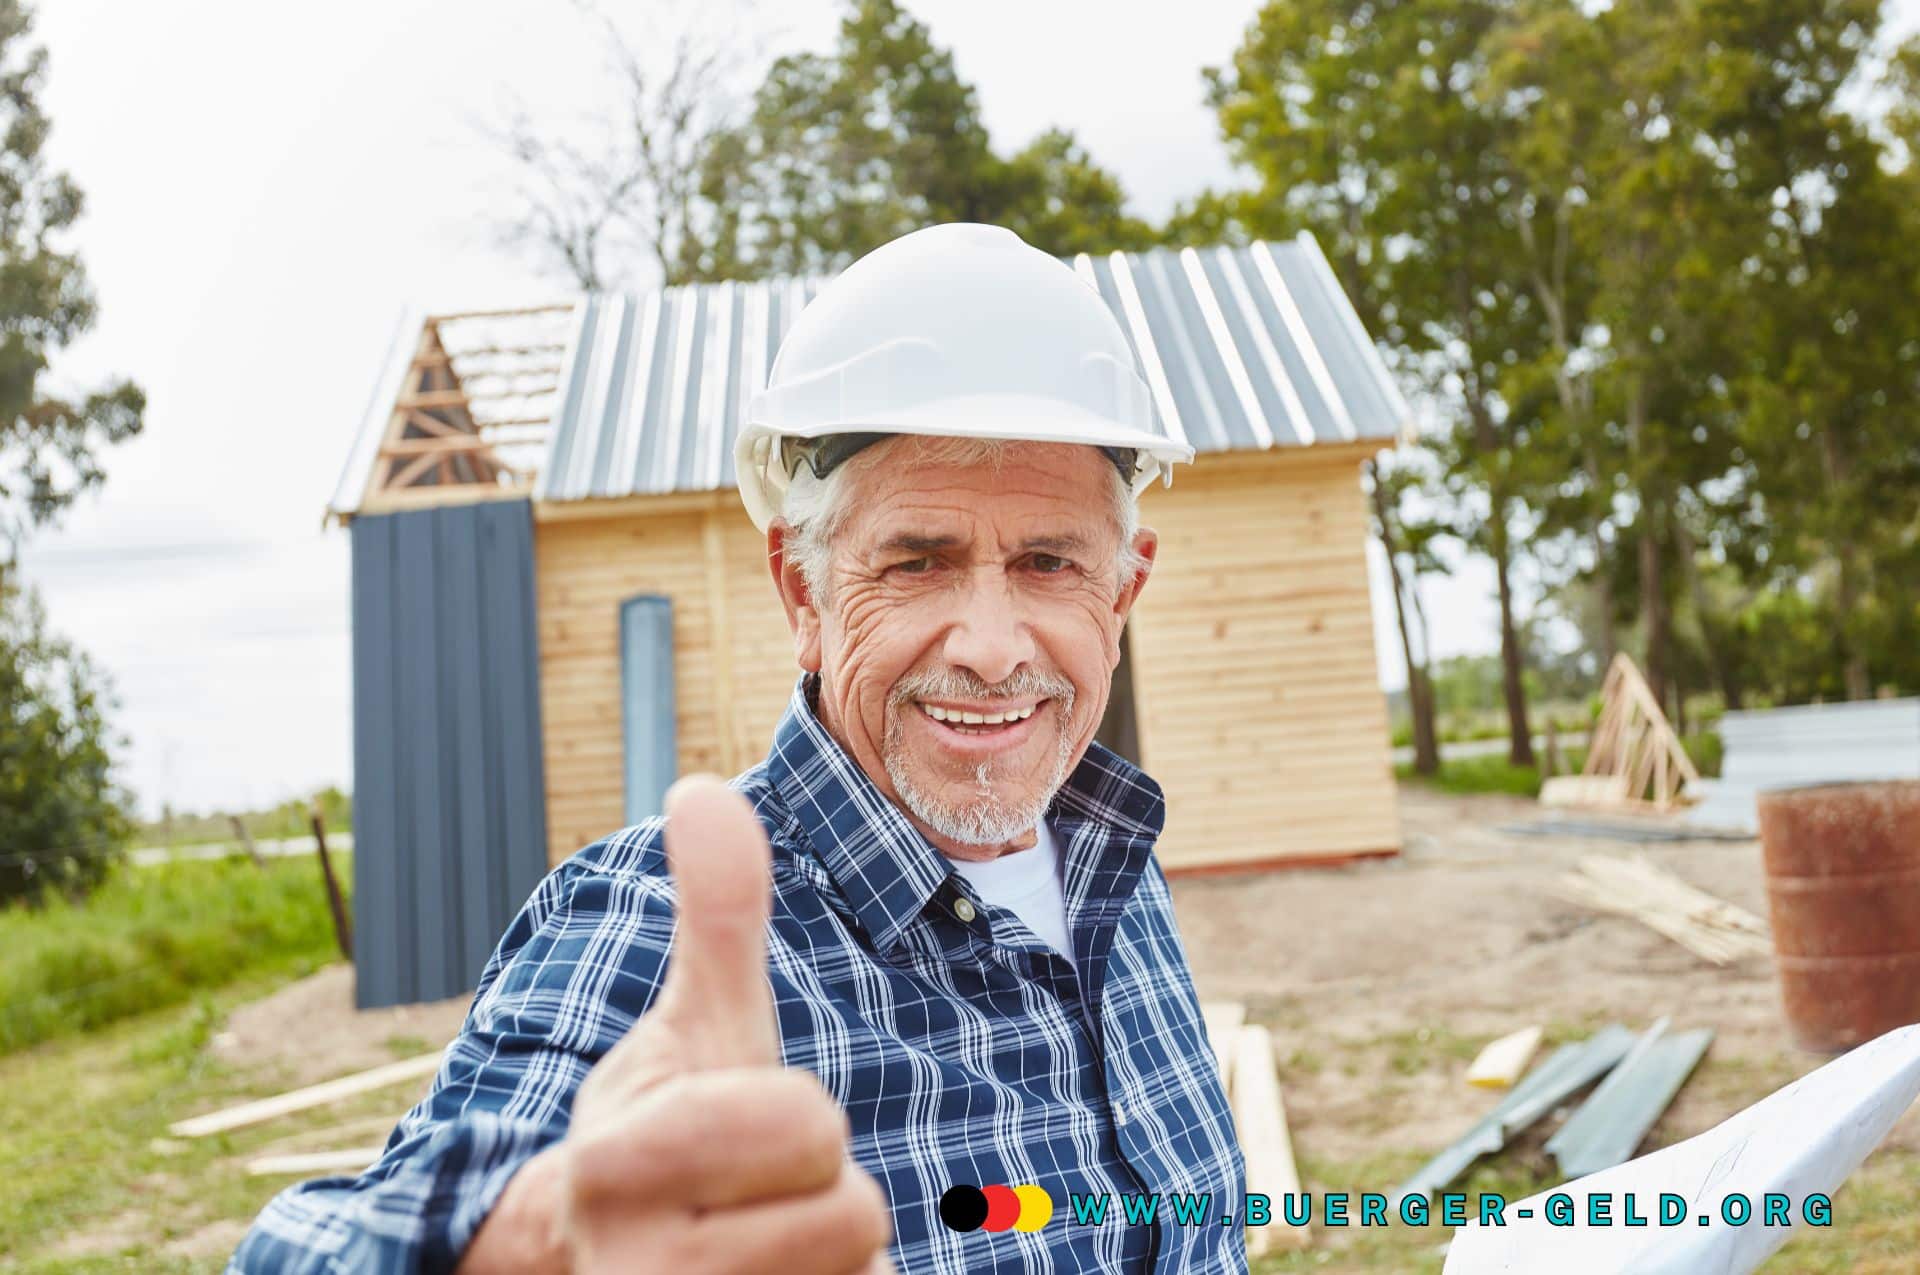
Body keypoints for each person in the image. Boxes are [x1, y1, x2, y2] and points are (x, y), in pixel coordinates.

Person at [232, 223, 1246, 1273]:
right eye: (915, 564)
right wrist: (529, 1244)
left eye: (1047, 563)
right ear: (802, 591)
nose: (992, 652)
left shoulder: (1110, 861)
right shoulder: (669, 933)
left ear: (1122, 593)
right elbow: (334, 1244)